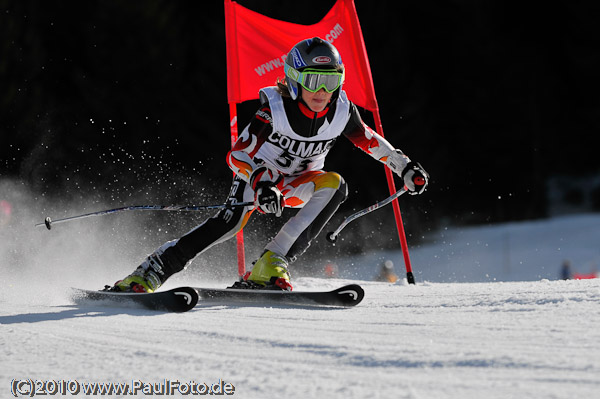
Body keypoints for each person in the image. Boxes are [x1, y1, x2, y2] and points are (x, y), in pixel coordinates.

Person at [110, 37, 429, 293]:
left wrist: (405, 167)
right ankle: (152, 271)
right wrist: (263, 183)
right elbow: (238, 156)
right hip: (259, 179)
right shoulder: (275, 110)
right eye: (314, 80)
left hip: (298, 183)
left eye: (331, 82)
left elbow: (370, 141)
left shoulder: (342, 111)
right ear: (294, 80)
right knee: (229, 223)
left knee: (335, 185)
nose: (322, 92)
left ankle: (272, 261)